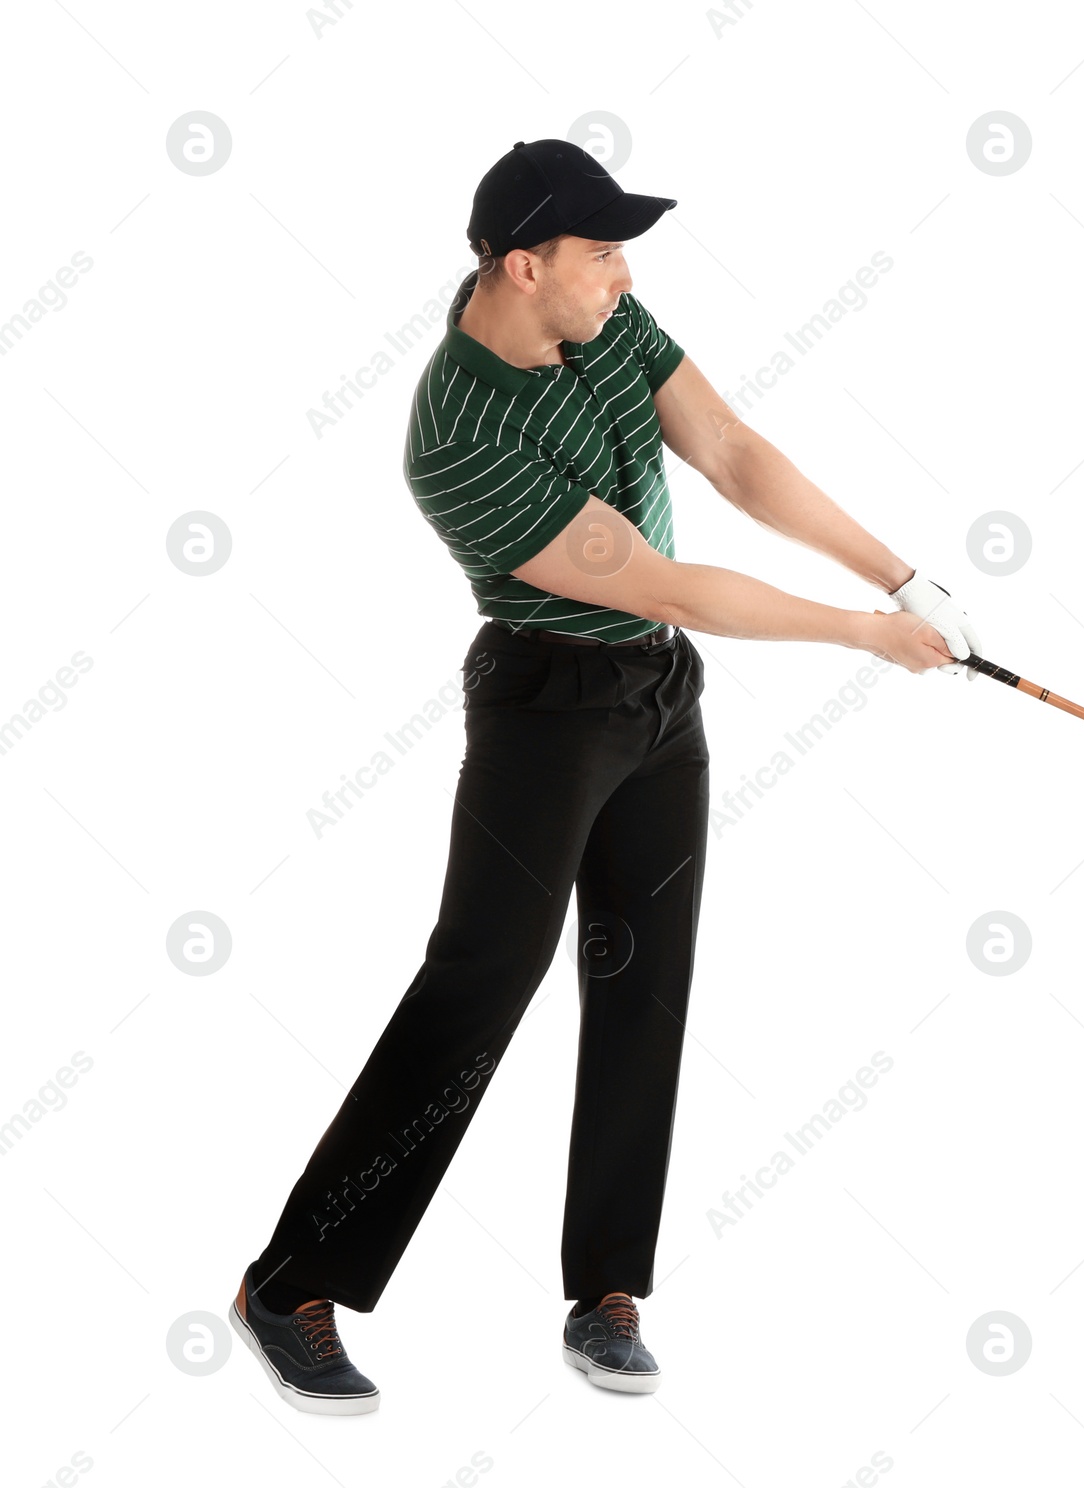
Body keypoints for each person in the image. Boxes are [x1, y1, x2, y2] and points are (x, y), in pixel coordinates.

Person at [230, 138, 984, 1411]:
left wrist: (900, 576)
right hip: (547, 706)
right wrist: (863, 639)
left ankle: (605, 1295)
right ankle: (291, 1280)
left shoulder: (603, 318)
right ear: (523, 265)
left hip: (658, 697)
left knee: (643, 979)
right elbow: (665, 580)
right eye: (601, 252)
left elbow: (733, 454)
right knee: (482, 980)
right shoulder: (456, 438)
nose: (624, 275)